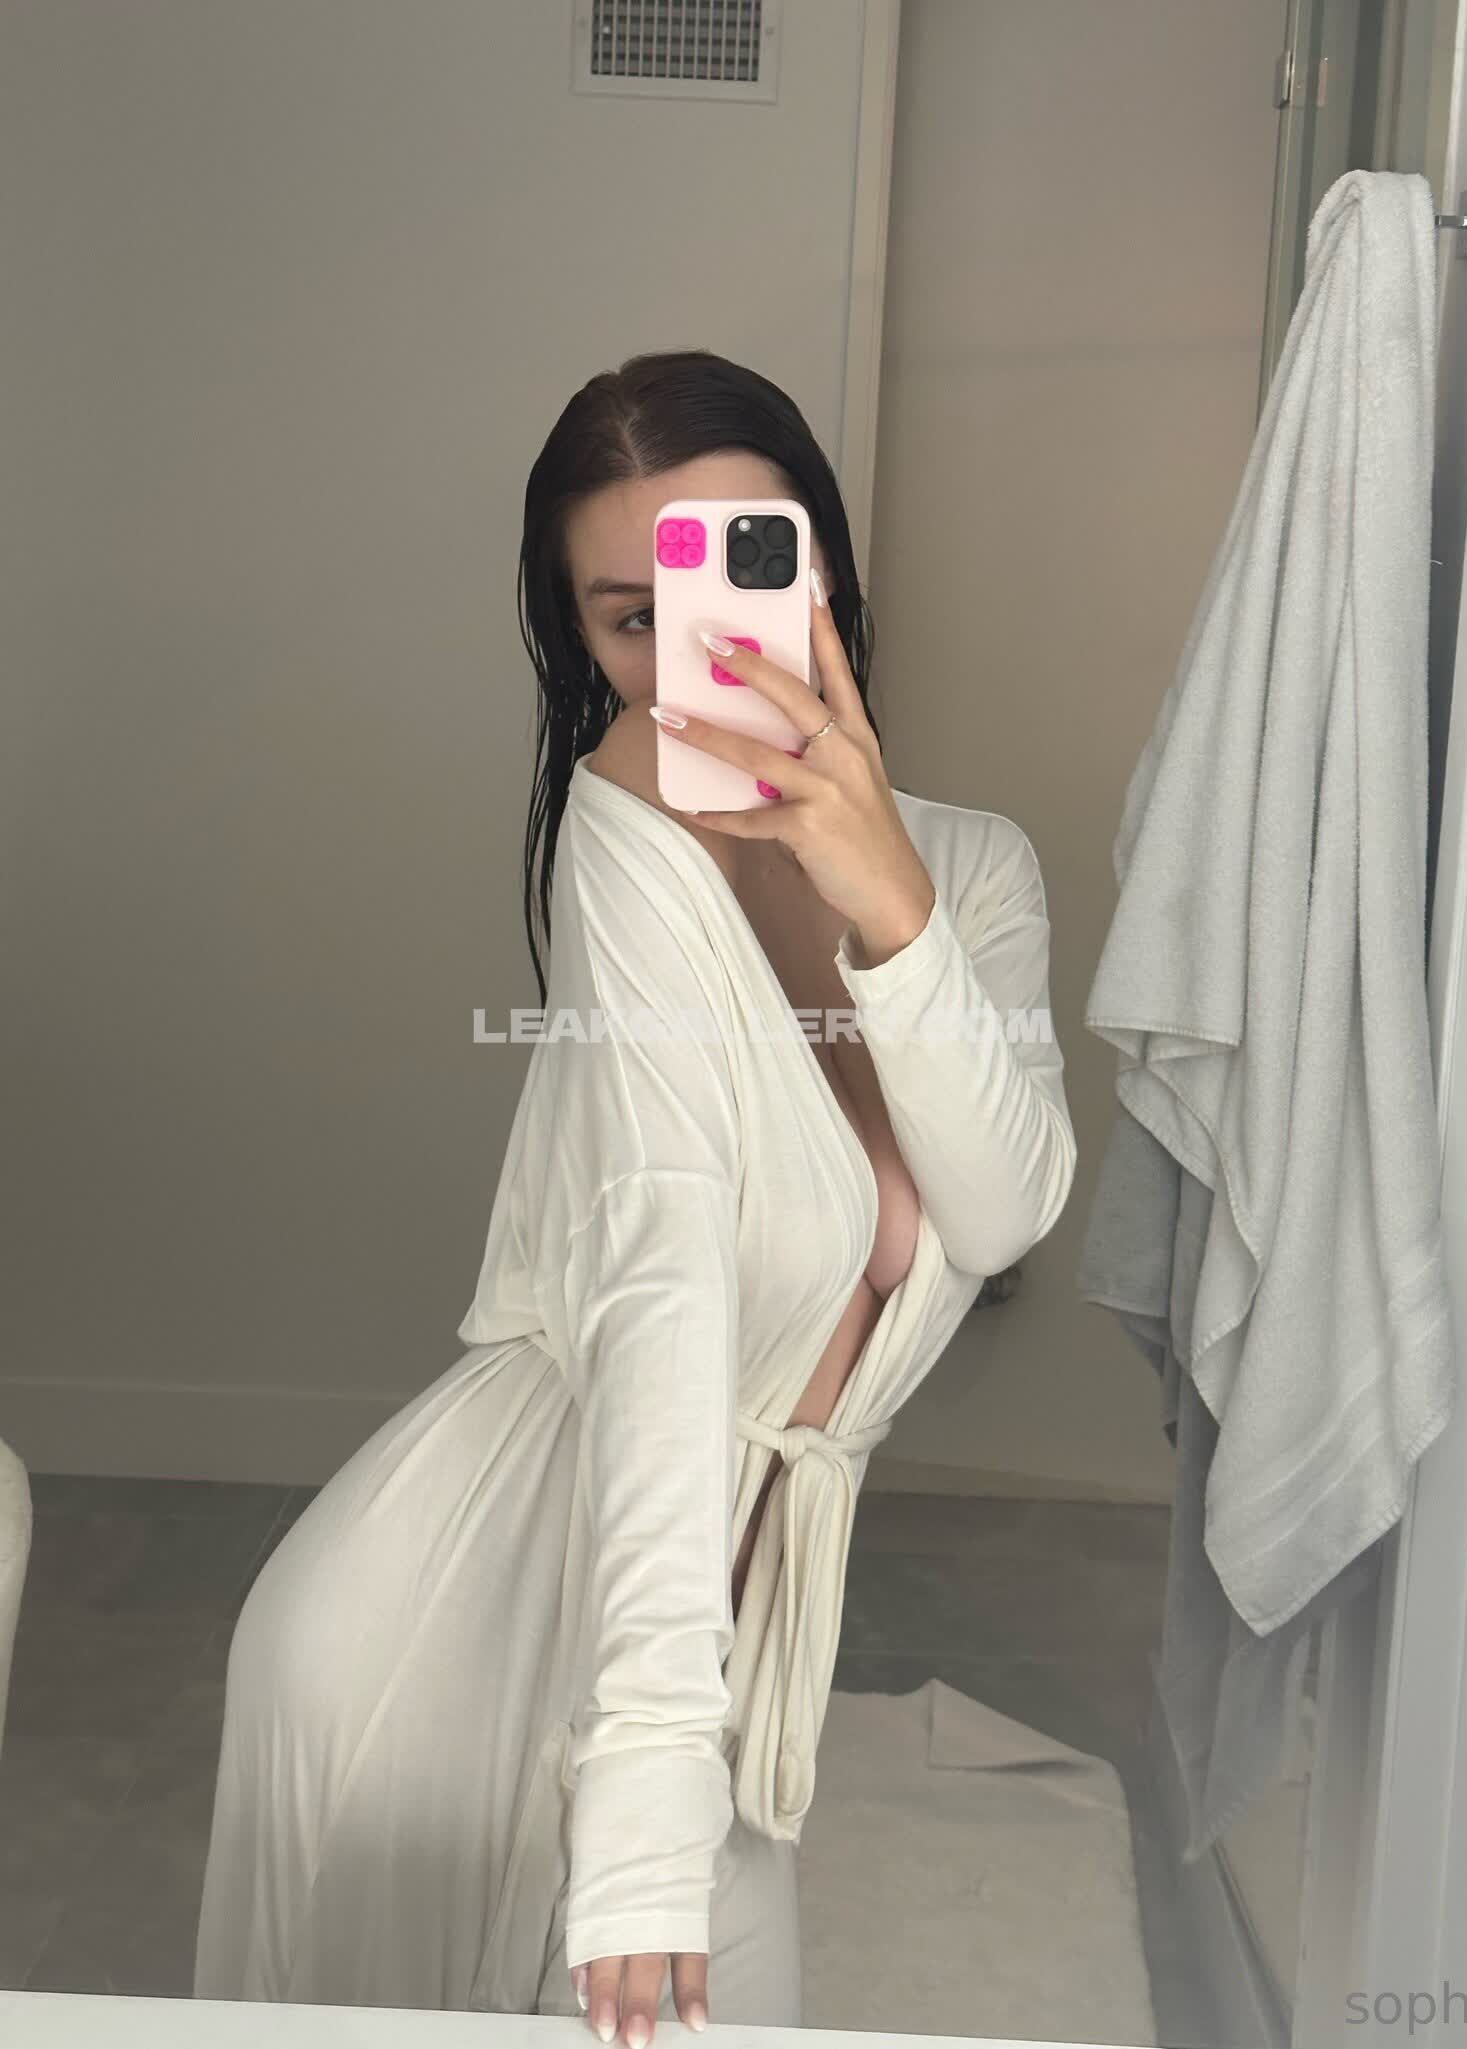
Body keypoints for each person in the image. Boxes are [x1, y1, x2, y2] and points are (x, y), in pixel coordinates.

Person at [193, 349, 1077, 2045]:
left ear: (823, 568)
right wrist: (653, 1795)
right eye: (629, 617)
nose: (691, 662)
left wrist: (890, 905)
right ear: (583, 643)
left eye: (737, 569)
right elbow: (664, 1269)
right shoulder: (628, 825)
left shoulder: (978, 872)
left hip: (694, 1652)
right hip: (452, 1629)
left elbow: (1004, 1204)